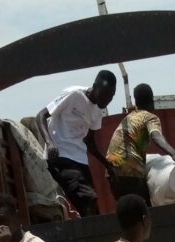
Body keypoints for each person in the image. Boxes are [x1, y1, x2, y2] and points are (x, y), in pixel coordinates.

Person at [36, 70, 118, 217]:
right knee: (88, 199)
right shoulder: (74, 95)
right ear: (95, 86)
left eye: (111, 96)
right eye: (105, 94)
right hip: (61, 156)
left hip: (80, 161)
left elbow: (90, 141)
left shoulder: (98, 110)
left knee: (94, 210)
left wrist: (106, 163)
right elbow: (41, 115)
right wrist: (49, 144)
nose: (107, 100)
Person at [105, 83, 175, 204]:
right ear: (152, 101)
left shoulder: (129, 118)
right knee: (145, 210)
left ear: (136, 102)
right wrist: (174, 154)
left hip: (111, 171)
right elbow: (156, 136)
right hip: (130, 169)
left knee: (128, 213)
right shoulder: (150, 117)